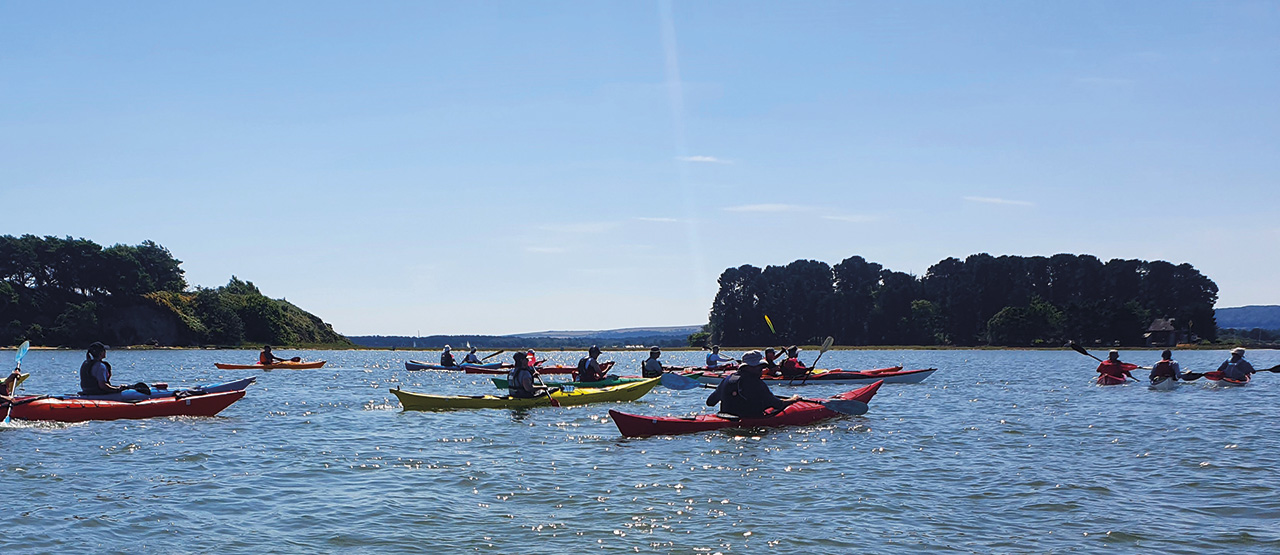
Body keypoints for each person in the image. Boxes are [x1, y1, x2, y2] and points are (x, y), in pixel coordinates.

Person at [706, 350, 801, 418]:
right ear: (749, 367)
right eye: (760, 367)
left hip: (725, 416)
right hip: (747, 419)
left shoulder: (728, 378)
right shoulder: (756, 383)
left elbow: (710, 402)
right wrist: (793, 399)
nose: (762, 370)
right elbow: (778, 404)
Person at [79, 342, 145, 395]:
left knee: (124, 387)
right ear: (101, 353)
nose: (105, 352)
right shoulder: (100, 366)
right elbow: (103, 386)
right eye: (104, 350)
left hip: (87, 392)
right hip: (98, 394)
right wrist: (118, 389)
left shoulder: (85, 364)